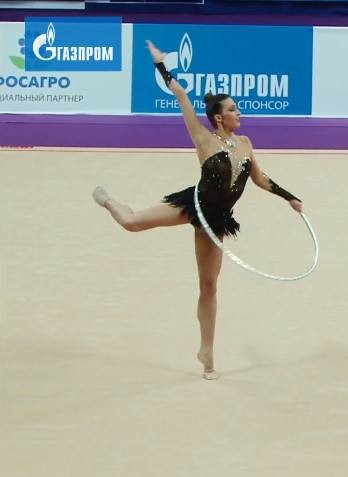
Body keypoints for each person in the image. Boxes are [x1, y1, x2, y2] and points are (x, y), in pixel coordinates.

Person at [92, 40, 303, 380]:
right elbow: (181, 95)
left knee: (209, 286)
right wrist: (160, 64)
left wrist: (289, 197)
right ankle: (109, 201)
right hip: (194, 204)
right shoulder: (202, 137)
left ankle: (207, 351)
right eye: (233, 109)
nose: (239, 113)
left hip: (215, 220)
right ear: (219, 117)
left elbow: (260, 179)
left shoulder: (246, 144)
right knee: (131, 223)